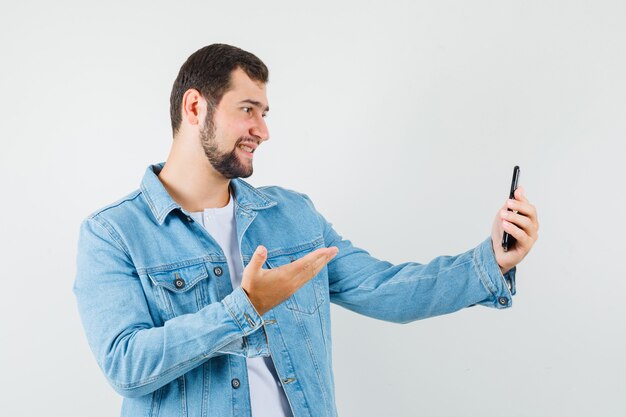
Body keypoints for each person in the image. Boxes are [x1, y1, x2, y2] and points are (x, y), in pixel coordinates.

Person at [73, 43, 539, 417]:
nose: (263, 130)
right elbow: (127, 365)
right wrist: (246, 307)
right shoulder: (113, 233)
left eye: (265, 113)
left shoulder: (291, 215)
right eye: (248, 109)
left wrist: (493, 260)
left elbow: (384, 287)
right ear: (195, 107)